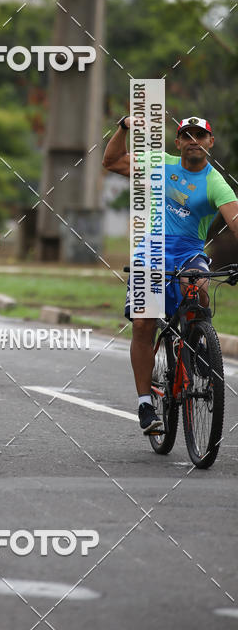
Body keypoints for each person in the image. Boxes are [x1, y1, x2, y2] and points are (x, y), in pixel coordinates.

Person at [103, 115, 238, 434]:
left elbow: (235, 221)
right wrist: (123, 127)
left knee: (198, 283)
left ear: (210, 142)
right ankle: (145, 404)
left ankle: (198, 337)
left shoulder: (215, 181)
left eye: (200, 135)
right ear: (178, 143)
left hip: (190, 249)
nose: (193, 140)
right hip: (151, 248)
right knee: (143, 324)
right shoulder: (158, 163)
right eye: (186, 135)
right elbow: (111, 162)